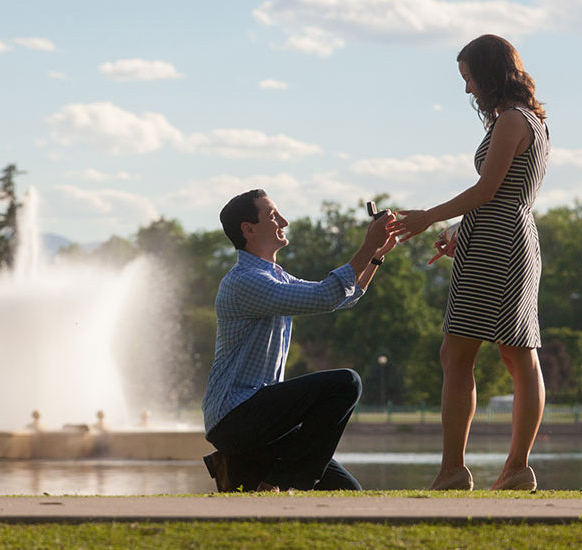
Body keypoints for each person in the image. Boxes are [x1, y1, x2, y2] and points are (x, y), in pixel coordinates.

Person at [389, 34, 550, 491]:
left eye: (469, 78)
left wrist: (425, 217)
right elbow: (504, 196)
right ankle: (513, 468)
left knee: (462, 353)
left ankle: (456, 470)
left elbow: (487, 191)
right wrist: (461, 233)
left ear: (490, 74)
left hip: (499, 245)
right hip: (502, 239)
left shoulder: (511, 122)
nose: (467, 90)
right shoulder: (527, 121)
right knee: (516, 355)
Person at [201, 189, 397, 492]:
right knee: (346, 383)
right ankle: (280, 482)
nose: (284, 221)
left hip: (261, 421)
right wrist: (367, 244)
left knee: (347, 492)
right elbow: (324, 296)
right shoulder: (245, 281)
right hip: (237, 418)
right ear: (248, 229)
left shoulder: (274, 276)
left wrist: (375, 255)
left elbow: (342, 298)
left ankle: (245, 469)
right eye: (272, 215)